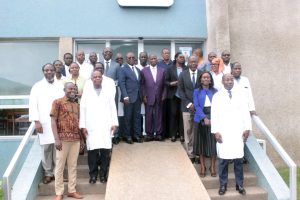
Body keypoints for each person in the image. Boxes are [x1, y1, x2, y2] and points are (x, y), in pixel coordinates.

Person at [211, 74, 251, 196]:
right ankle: (223, 185)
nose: (229, 82)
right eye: (227, 80)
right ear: (222, 82)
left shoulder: (241, 95)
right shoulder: (217, 96)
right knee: (223, 160)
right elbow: (214, 114)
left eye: (231, 79)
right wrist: (216, 131)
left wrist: (247, 128)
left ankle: (240, 185)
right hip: (223, 131)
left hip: (237, 132)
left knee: (238, 160)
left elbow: (246, 112)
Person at [80, 70, 118, 184]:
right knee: (92, 152)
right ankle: (93, 175)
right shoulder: (86, 93)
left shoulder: (108, 92)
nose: (97, 78)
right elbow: (82, 110)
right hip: (91, 126)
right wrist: (82, 126)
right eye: (94, 77)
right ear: (91, 79)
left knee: (105, 152)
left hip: (105, 125)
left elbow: (113, 108)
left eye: (99, 77)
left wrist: (114, 123)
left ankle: (103, 175)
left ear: (102, 78)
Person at [29, 63, 64, 184]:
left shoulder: (60, 85)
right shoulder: (37, 86)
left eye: (51, 70)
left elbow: (63, 104)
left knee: (58, 148)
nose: (49, 72)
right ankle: (48, 173)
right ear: (43, 72)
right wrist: (36, 121)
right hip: (43, 123)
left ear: (55, 71)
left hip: (57, 122)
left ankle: (57, 173)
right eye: (46, 70)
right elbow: (33, 105)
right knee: (46, 149)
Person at [50, 82, 85, 200]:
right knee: (59, 166)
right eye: (70, 88)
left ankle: (72, 190)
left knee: (73, 166)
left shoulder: (77, 105)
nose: (73, 90)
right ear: (64, 89)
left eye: (74, 89)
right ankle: (59, 193)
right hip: (62, 140)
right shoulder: (57, 102)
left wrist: (82, 140)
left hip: (75, 140)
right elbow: (53, 121)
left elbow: (79, 123)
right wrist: (56, 139)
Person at [193, 71, 218, 178]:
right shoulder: (196, 91)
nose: (206, 79)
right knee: (202, 144)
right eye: (204, 77)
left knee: (213, 144)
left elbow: (218, 106)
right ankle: (203, 166)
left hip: (214, 117)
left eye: (208, 77)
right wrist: (204, 118)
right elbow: (197, 106)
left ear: (210, 79)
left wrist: (213, 118)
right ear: (201, 79)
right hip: (200, 118)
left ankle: (212, 166)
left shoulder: (215, 91)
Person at [178, 55, 201, 163]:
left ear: (198, 63)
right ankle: (190, 153)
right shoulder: (183, 74)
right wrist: (189, 104)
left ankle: (198, 153)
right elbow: (180, 91)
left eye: (195, 62)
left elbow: (205, 90)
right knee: (188, 131)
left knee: (199, 132)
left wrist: (197, 104)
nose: (193, 64)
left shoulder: (202, 74)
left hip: (200, 109)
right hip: (186, 108)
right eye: (191, 62)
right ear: (188, 63)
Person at [141, 54, 166, 141]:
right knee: (148, 116)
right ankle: (149, 134)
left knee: (159, 115)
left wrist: (164, 94)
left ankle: (158, 134)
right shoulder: (144, 71)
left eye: (155, 58)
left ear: (157, 60)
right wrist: (144, 95)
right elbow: (142, 84)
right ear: (149, 60)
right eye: (151, 59)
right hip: (148, 97)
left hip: (159, 96)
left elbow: (165, 85)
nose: (153, 60)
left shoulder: (162, 70)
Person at [118, 52, 142, 144]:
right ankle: (127, 136)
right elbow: (121, 83)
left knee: (137, 117)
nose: (131, 59)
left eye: (133, 57)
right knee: (128, 118)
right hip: (128, 98)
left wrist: (142, 96)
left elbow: (140, 84)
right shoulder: (123, 69)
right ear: (126, 59)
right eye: (129, 57)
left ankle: (136, 135)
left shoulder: (138, 70)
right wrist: (125, 96)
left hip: (138, 97)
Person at [165, 53, 186, 142]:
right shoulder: (170, 68)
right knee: (173, 114)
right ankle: (173, 134)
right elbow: (165, 81)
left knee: (182, 115)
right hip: (173, 95)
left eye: (183, 58)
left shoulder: (186, 68)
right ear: (176, 58)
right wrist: (171, 83)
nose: (182, 59)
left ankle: (181, 135)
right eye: (180, 57)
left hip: (183, 96)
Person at [136, 52, 149, 137]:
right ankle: (140, 132)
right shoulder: (136, 68)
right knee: (139, 114)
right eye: (142, 57)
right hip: (138, 95)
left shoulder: (149, 68)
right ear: (139, 58)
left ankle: (148, 132)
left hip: (149, 95)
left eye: (145, 57)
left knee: (148, 114)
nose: (143, 58)